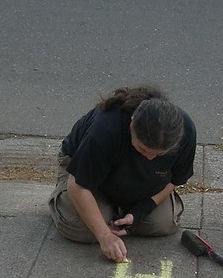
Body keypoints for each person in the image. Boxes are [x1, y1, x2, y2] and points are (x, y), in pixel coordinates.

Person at [48, 86, 196, 263]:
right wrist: (104, 236)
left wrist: (141, 210)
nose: (150, 158)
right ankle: (64, 198)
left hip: (144, 181)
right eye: (143, 149)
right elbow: (78, 185)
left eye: (159, 155)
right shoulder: (104, 130)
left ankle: (114, 209)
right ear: (132, 123)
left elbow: (176, 179)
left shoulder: (185, 131)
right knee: (82, 230)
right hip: (87, 177)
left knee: (162, 224)